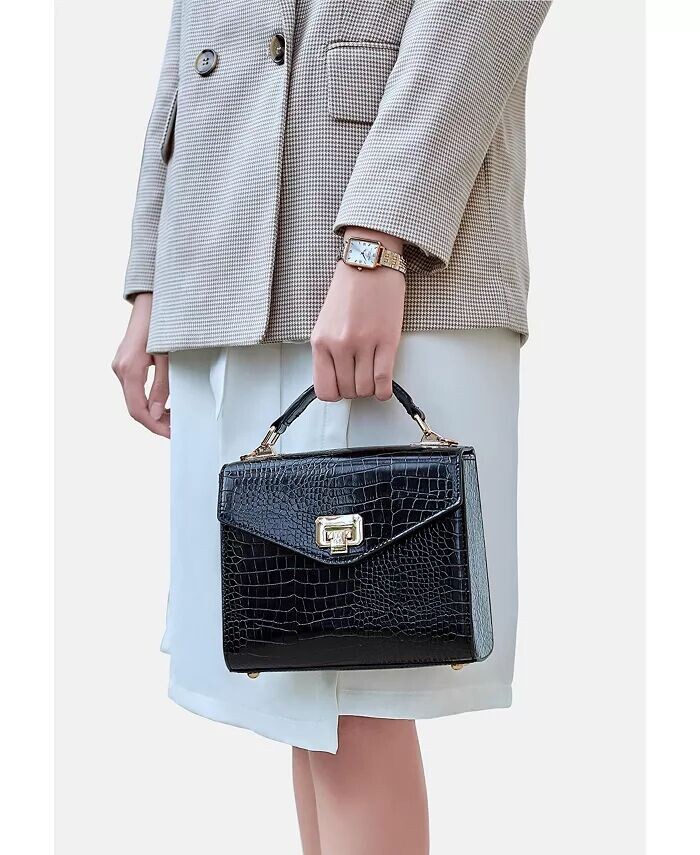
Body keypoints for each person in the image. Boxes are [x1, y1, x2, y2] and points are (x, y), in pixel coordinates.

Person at [112, 2, 550, 852]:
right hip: (219, 255)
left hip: (389, 251)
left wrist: (379, 238)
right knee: (301, 690)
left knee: (355, 698)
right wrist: (153, 274)